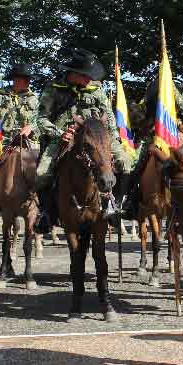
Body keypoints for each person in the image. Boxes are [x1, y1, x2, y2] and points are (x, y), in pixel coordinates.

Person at [34, 50, 133, 231]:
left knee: (127, 163)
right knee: (42, 174)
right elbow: (41, 119)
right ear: (75, 74)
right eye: (87, 76)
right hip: (65, 137)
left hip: (98, 139)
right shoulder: (53, 89)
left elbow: (109, 116)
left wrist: (112, 139)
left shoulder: (96, 89)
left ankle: (114, 205)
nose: (91, 79)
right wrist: (59, 133)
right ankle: (46, 212)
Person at [121, 77, 183, 220]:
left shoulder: (179, 94)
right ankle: (131, 201)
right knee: (136, 166)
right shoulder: (149, 97)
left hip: (178, 137)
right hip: (153, 138)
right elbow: (139, 120)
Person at [0, 63, 40, 146]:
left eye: (29, 79)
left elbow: (40, 121)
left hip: (24, 143)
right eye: (24, 78)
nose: (28, 81)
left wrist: (31, 127)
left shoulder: (34, 99)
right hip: (0, 141)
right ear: (15, 79)